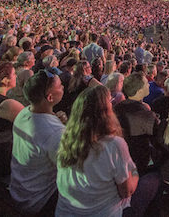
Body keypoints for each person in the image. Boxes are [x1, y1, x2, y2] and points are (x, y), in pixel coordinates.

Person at [56, 86, 147, 217]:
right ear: (106, 112)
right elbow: (127, 191)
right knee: (152, 180)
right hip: (102, 212)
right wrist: (135, 172)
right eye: (110, 102)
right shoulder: (113, 145)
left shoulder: (65, 137)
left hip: (65, 212)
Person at [10, 71, 66, 216]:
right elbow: (68, 171)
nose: (63, 87)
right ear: (50, 97)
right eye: (60, 86)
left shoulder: (25, 113)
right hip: (37, 200)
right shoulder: (55, 133)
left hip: (19, 191)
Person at [114, 72, 161, 175]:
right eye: (146, 83)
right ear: (139, 91)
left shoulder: (116, 108)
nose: (149, 84)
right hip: (138, 162)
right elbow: (158, 141)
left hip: (118, 159)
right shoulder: (146, 115)